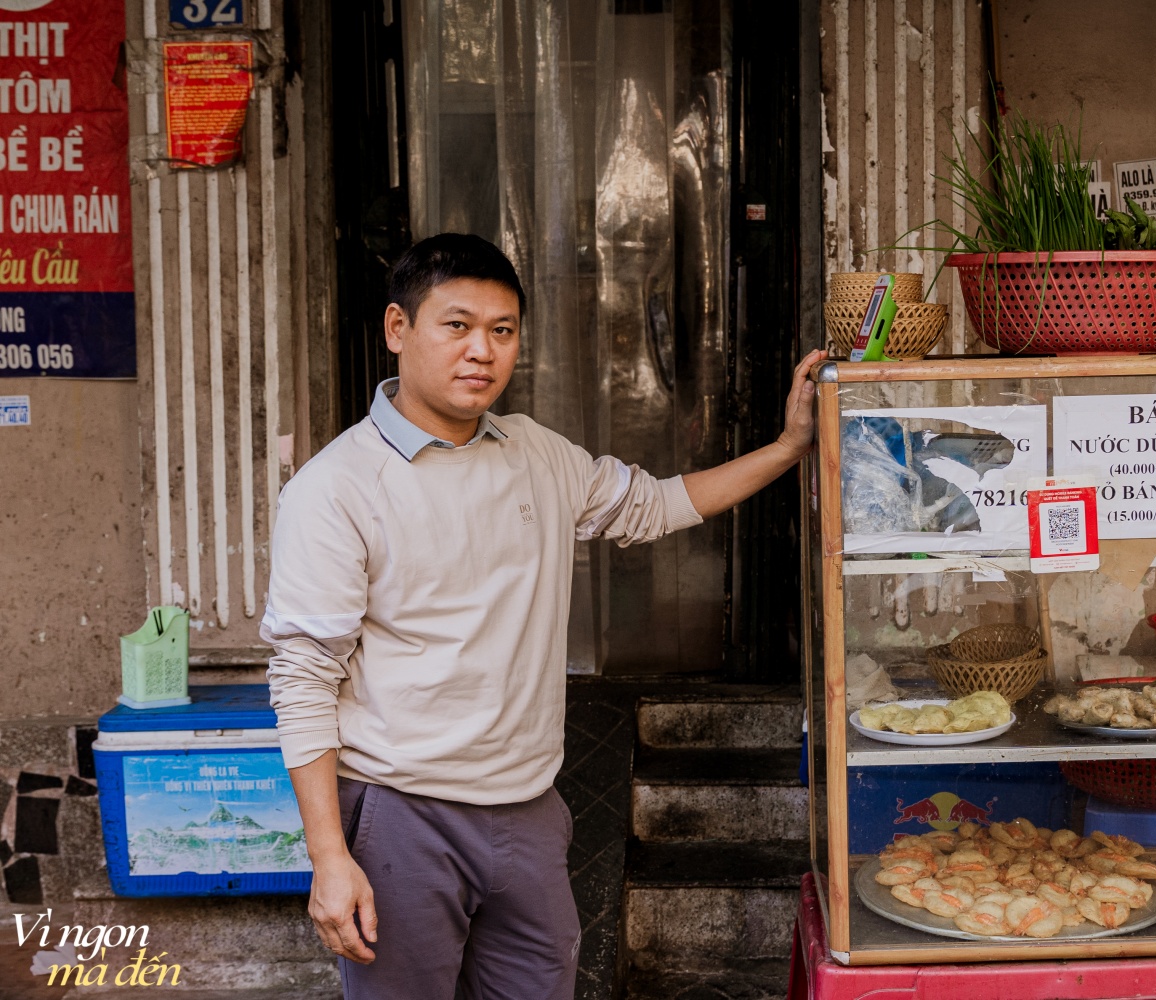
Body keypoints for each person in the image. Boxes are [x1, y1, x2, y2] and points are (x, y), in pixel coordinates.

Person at [260, 232, 824, 1000]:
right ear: (399, 329)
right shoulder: (336, 489)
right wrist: (330, 856)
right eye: (455, 325)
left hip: (526, 809)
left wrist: (790, 446)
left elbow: (655, 505)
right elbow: (302, 679)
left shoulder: (535, 453)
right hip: (402, 812)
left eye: (502, 330)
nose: (481, 351)